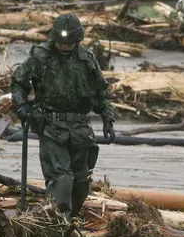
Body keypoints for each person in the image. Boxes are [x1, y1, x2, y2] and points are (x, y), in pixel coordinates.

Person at [10, 13, 116, 218]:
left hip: (79, 129)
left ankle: (70, 220)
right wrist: (22, 105)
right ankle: (55, 222)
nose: (64, 46)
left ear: (77, 40)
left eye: (68, 43)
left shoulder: (87, 59)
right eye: (60, 42)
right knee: (62, 179)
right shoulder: (41, 56)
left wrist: (108, 118)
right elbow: (18, 82)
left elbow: (101, 92)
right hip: (51, 125)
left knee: (80, 181)